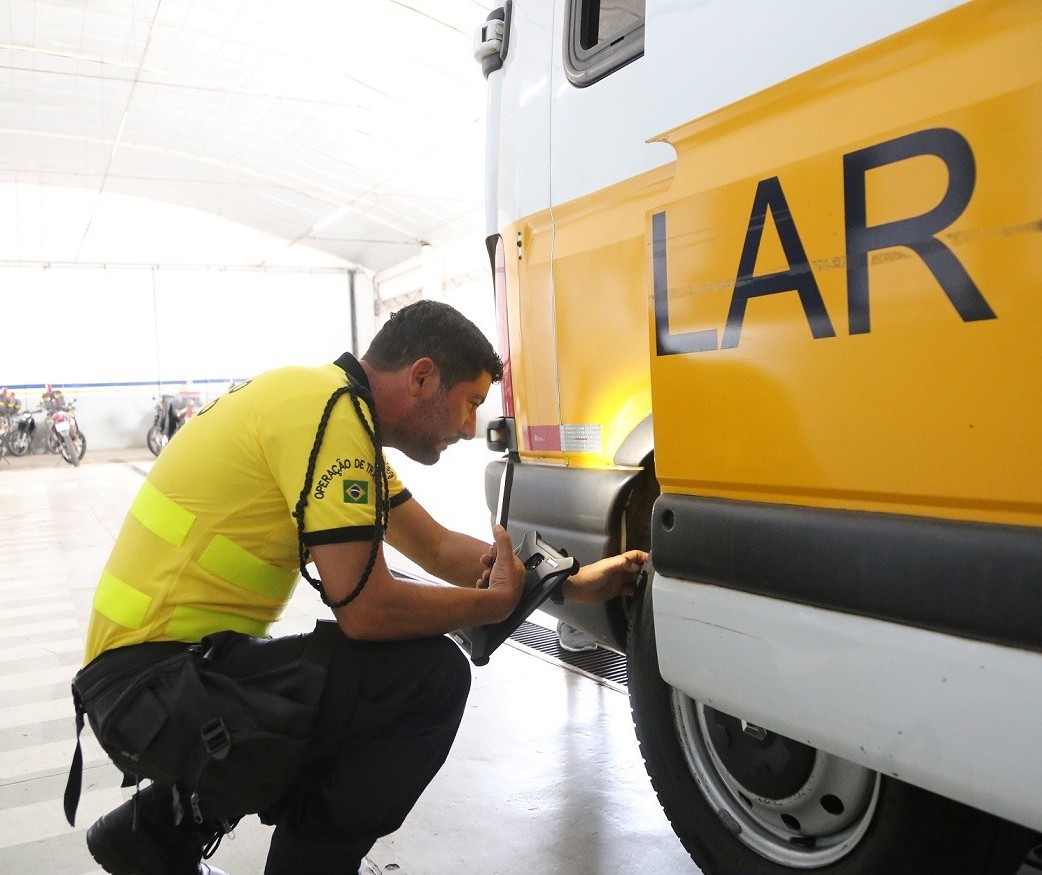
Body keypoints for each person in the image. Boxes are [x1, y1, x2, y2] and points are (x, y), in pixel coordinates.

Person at [67, 300, 647, 875]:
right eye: (469, 403)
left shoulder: (327, 408)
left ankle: (163, 829)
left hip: (164, 677)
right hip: (153, 691)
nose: (471, 429)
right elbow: (367, 612)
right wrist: (489, 605)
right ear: (421, 377)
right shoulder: (330, 416)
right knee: (425, 680)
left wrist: (568, 583)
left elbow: (440, 548)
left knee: (358, 687)